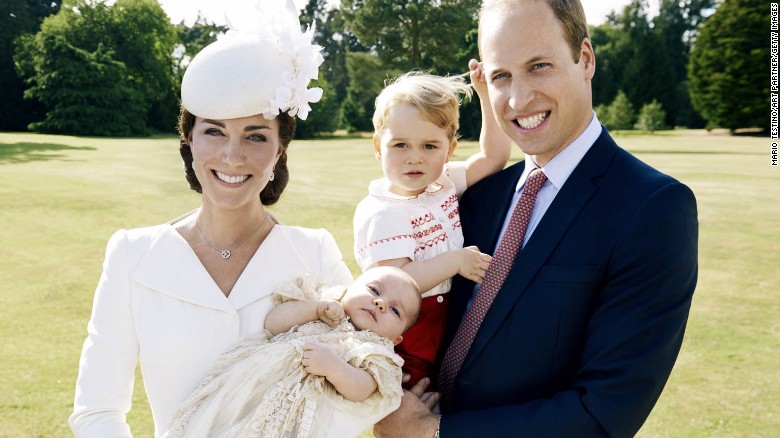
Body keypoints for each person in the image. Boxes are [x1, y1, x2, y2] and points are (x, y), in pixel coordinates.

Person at [374, 0, 699, 437]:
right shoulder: (476, 196)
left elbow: (604, 412)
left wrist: (433, 433)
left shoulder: (653, 208)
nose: (519, 98)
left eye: (539, 66)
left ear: (585, 58)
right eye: (501, 76)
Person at [68, 2, 353, 436]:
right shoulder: (132, 256)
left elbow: (354, 396)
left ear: (279, 150)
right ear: (189, 139)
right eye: (214, 131)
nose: (232, 156)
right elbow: (96, 410)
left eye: (255, 136)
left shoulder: (315, 252)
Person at [353, 70, 511, 388]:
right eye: (400, 145)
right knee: (411, 396)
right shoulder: (383, 212)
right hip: (406, 327)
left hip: (445, 315)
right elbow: (398, 283)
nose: (415, 158)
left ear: (449, 150)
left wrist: (485, 96)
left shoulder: (444, 181)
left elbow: (494, 158)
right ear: (378, 147)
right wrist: (456, 261)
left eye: (429, 146)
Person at [164, 267, 422, 438]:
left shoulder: (375, 350)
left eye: (395, 310)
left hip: (292, 414)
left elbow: (363, 388)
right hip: (251, 385)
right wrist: (315, 309)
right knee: (216, 422)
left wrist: (333, 367)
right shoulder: (323, 300)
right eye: (374, 291)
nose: (380, 303)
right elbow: (274, 324)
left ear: (396, 337)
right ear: (351, 287)